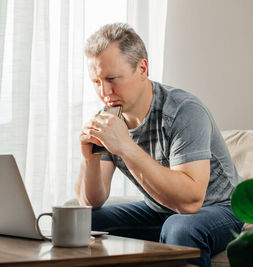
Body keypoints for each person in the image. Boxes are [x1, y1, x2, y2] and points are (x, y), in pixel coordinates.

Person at [75, 23, 243, 267]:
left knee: (180, 227)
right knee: (82, 222)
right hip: (161, 209)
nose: (105, 92)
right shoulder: (109, 117)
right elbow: (92, 202)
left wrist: (125, 146)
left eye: (112, 79)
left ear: (142, 69)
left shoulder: (183, 111)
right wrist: (89, 158)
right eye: (97, 81)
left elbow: (191, 201)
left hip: (222, 208)